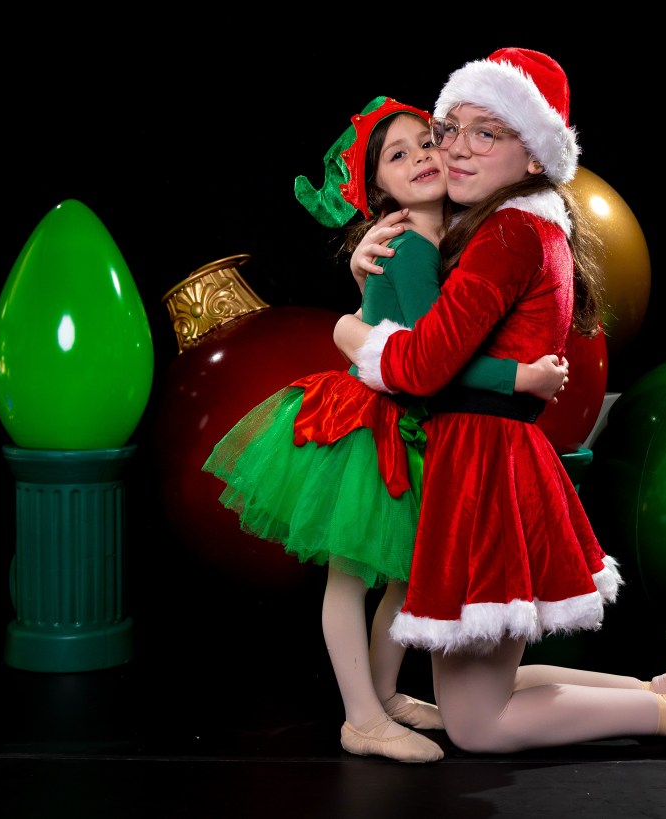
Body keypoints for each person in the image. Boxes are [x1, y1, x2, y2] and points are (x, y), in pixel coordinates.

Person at [334, 48, 666, 753]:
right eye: (451, 127)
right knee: (480, 691)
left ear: (534, 158)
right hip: (485, 454)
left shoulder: (507, 236)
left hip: (486, 465)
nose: (454, 149)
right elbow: (430, 315)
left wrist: (351, 333)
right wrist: (363, 269)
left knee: (477, 724)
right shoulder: (512, 226)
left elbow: (427, 362)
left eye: (486, 133)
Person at [202, 96, 569, 764]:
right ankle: (362, 715)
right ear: (377, 189)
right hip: (374, 423)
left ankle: (385, 692)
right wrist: (520, 378)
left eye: (427, 144)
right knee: (352, 574)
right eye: (398, 156)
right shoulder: (407, 250)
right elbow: (439, 358)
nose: (423, 158)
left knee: (402, 572)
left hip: (412, 423)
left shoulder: (440, 240)